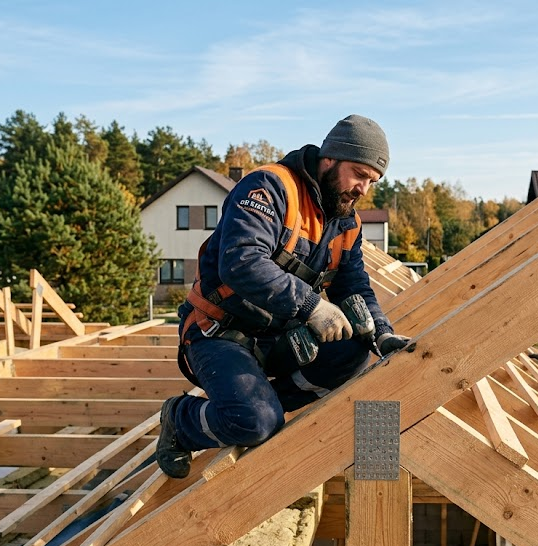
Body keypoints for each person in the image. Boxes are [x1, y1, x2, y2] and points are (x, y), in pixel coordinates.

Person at [155, 115, 413, 478]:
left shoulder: (346, 222)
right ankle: (181, 420)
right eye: (359, 174)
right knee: (256, 423)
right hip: (220, 332)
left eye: (372, 181)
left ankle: (258, 403)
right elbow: (241, 261)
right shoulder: (269, 188)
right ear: (330, 159)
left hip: (277, 338)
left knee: (354, 351)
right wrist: (311, 306)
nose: (363, 189)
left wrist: (381, 333)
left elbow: (353, 285)